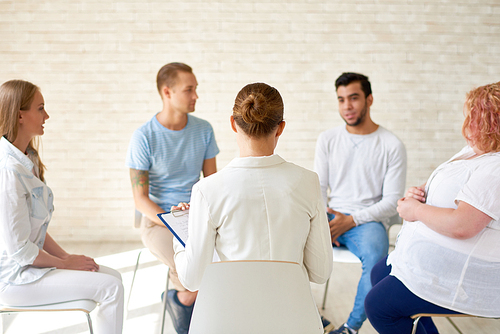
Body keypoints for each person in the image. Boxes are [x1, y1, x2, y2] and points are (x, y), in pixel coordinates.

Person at [172, 83, 333, 330]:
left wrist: (179, 239)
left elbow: (192, 279)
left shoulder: (207, 190)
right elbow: (321, 272)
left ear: (233, 124)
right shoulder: (307, 182)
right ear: (280, 128)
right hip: (293, 321)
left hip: (228, 321)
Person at [365, 81, 500, 334]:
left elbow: (463, 225)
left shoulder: (496, 168)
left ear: (492, 125)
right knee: (378, 273)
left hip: (463, 275)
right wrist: (419, 194)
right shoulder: (475, 150)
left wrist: (415, 211)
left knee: (379, 307)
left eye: (474, 118)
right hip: (432, 254)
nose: (466, 125)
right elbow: (449, 185)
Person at [0, 80, 124, 334]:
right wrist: (63, 264)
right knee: (111, 288)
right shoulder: (8, 171)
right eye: (41, 108)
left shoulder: (27, 159)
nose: (47, 115)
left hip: (29, 270)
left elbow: (35, 232)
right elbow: (20, 251)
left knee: (114, 278)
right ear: (20, 115)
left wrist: (66, 257)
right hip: (15, 280)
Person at [126, 62, 219, 334]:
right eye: (189, 90)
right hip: (157, 221)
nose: (196, 96)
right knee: (190, 263)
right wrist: (173, 222)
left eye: (196, 89)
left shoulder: (203, 130)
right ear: (167, 92)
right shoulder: (143, 137)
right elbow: (140, 199)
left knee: (232, 259)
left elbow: (211, 183)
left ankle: (181, 300)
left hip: (196, 215)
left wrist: (197, 214)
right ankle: (188, 306)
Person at [314, 72, 407, 334]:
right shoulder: (328, 139)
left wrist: (351, 220)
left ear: (369, 99)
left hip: (366, 222)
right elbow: (318, 187)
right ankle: (308, 316)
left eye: (353, 98)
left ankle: (350, 328)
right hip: (330, 216)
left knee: (379, 259)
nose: (347, 106)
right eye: (341, 99)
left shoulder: (391, 144)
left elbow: (391, 202)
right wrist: (322, 220)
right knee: (285, 242)